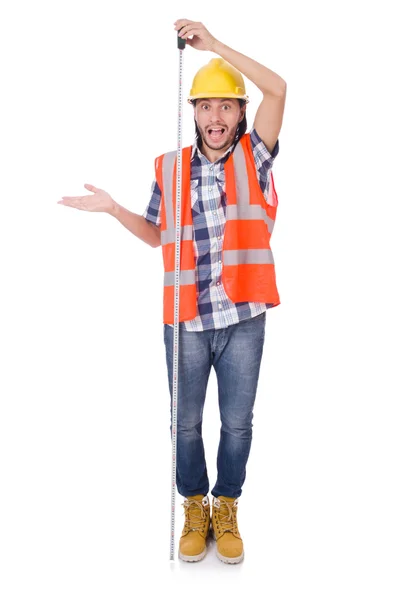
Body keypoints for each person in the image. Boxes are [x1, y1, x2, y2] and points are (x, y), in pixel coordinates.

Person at [58, 18, 286, 565]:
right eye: (205, 106)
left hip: (244, 316)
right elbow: (159, 235)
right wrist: (115, 211)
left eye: (226, 106)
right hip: (184, 318)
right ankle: (194, 507)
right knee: (184, 423)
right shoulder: (169, 167)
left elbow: (279, 88)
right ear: (194, 114)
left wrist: (214, 47)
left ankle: (225, 505)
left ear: (239, 114)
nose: (215, 116)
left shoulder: (254, 157)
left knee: (236, 423)